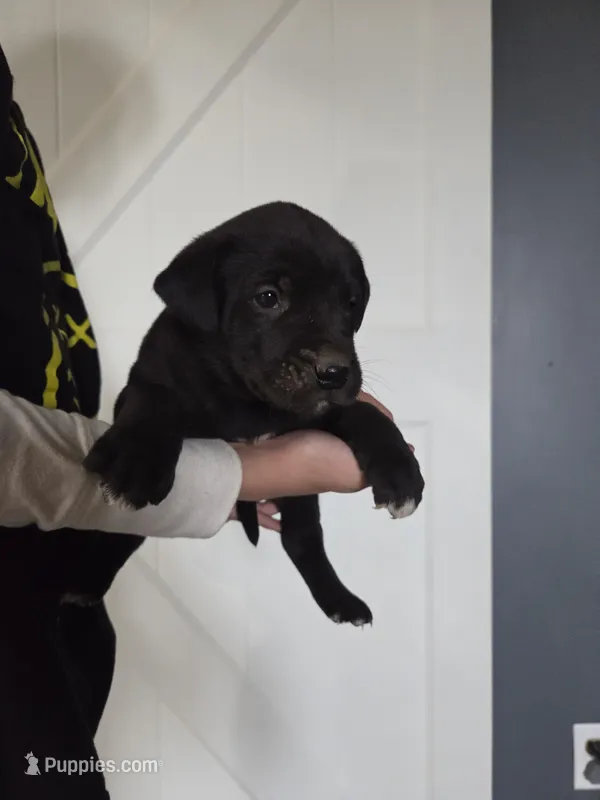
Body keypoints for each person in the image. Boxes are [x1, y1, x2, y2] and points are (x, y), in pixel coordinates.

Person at [0, 43, 404, 800]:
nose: (329, 344)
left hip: (52, 598)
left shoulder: (10, 126)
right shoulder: (181, 349)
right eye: (271, 298)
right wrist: (242, 474)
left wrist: (376, 449)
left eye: (345, 307)